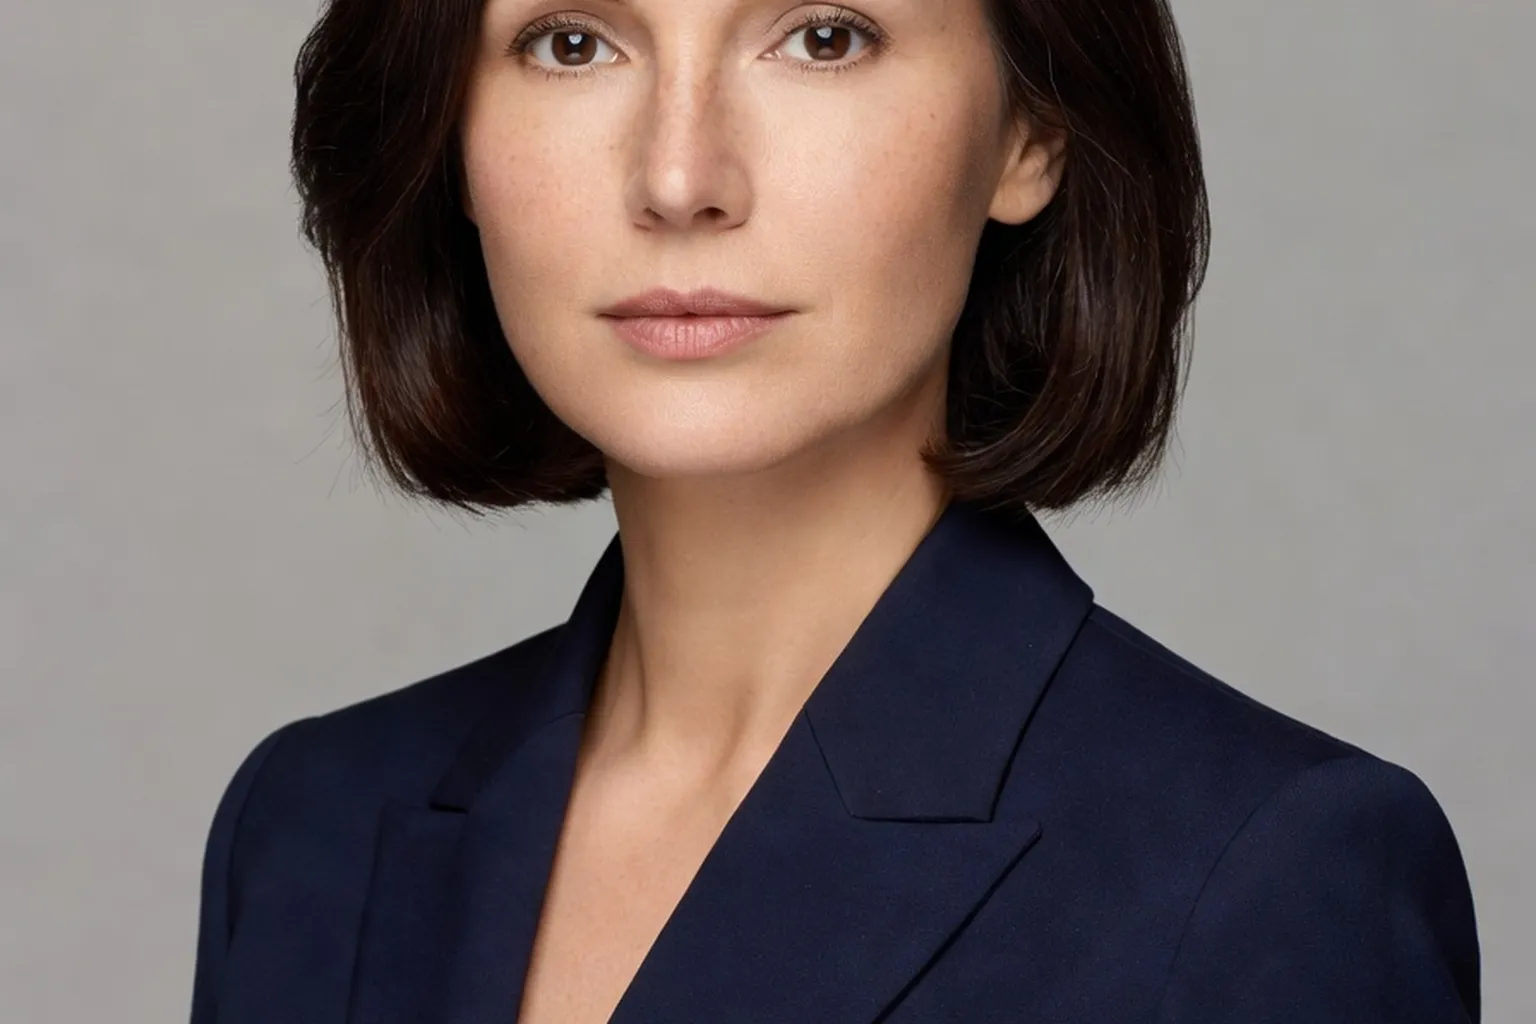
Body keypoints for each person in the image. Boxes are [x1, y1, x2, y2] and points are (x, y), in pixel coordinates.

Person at [189, 1, 1481, 1021]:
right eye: (570, 42)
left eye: (824, 36)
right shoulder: (313, 826)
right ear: (448, 133)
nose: (681, 175)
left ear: (1028, 130)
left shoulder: (1266, 880)